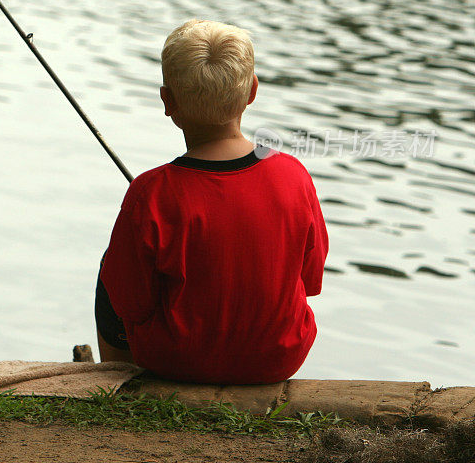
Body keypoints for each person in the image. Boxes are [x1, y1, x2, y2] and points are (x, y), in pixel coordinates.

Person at [96, 19, 329, 384]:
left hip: (174, 361)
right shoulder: (294, 175)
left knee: (113, 266)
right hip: (277, 359)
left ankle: (118, 383)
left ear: (167, 100)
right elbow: (309, 279)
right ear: (252, 91)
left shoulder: (150, 192)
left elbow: (130, 303)